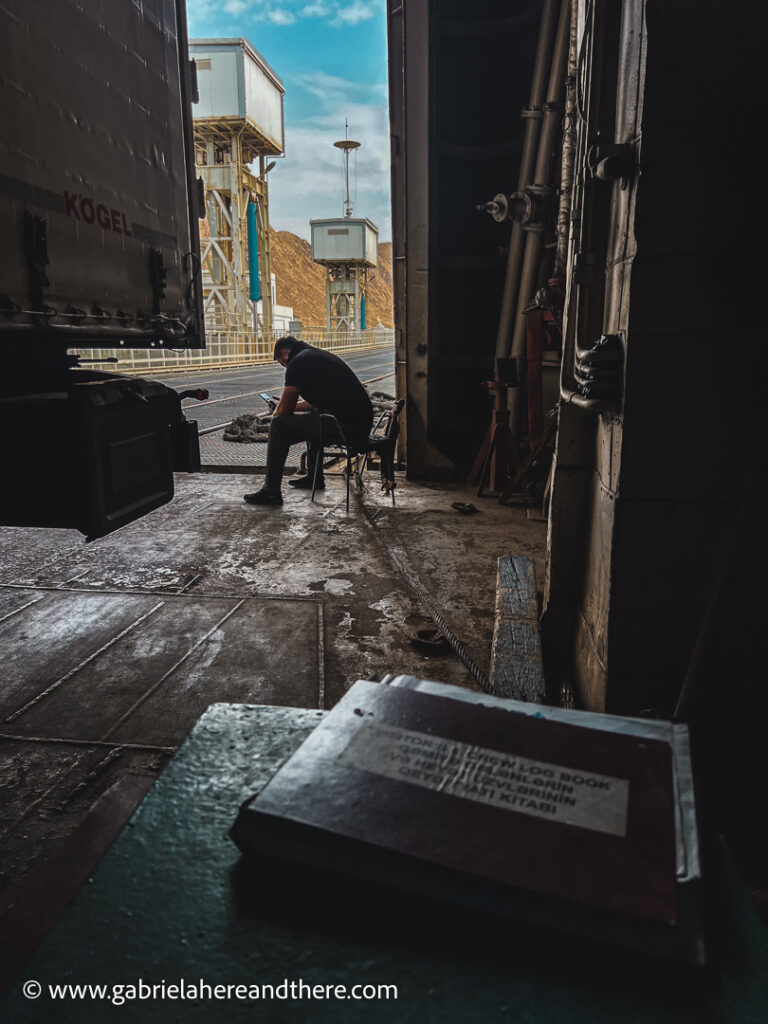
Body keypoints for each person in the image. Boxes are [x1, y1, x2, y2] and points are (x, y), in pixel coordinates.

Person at [244, 336, 374, 506]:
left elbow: (284, 411)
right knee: (314, 419)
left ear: (284, 354)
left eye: (282, 365)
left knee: (278, 425)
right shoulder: (315, 356)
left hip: (347, 428)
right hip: (359, 424)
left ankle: (271, 491)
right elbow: (317, 402)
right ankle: (314, 477)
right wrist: (284, 405)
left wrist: (277, 408)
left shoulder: (298, 362)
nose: (285, 368)